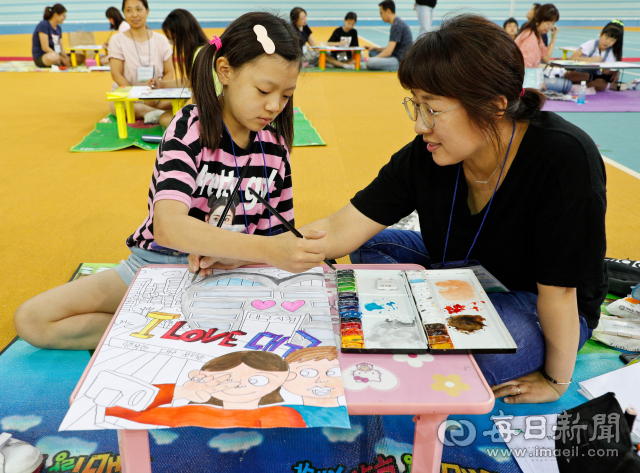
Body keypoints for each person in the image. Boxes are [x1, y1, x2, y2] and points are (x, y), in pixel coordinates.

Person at [289, 14, 607, 405]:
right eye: (415, 105)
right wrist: (250, 252)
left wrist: (556, 381)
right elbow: (341, 227)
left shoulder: (563, 158)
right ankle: (430, 313)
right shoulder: (427, 154)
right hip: (460, 272)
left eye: (433, 109)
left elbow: (559, 291)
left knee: (464, 360)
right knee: (372, 249)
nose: (421, 125)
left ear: (493, 106)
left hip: (535, 299)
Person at [13, 12, 326, 351]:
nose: (274, 106)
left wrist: (237, 257)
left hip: (231, 275)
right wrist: (265, 249)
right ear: (225, 71)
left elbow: (278, 239)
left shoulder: (275, 150)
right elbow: (168, 227)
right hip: (153, 267)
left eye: (285, 96)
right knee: (33, 319)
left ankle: (168, 329)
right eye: (264, 90)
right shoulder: (189, 127)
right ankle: (167, 329)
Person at [104, 351, 306, 428]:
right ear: (199, 376)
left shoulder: (280, 413)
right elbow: (113, 407)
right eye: (226, 377)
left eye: (258, 380)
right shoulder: (188, 412)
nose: (240, 384)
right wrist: (179, 392)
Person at [107, 0, 175, 123]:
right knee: (121, 106)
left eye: (138, 9)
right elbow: (116, 74)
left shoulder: (161, 40)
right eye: (129, 10)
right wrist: (137, 96)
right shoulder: (117, 40)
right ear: (124, 13)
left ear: (147, 11)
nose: (134, 14)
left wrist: (155, 93)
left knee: (179, 98)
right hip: (129, 97)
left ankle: (152, 112)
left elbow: (169, 72)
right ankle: (158, 114)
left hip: (157, 95)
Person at [148, 8, 217, 127]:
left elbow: (197, 102)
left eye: (173, 39)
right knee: (166, 115)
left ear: (183, 35)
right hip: (215, 113)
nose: (173, 44)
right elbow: (189, 80)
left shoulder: (199, 55)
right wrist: (162, 84)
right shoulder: (203, 50)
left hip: (214, 118)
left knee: (165, 118)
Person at [283, 346, 349, 427]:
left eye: (334, 372)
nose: (322, 380)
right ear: (287, 376)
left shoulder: (348, 413)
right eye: (307, 373)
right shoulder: (281, 412)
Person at [515, 4, 571, 93]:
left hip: (531, 78)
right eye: (548, 23)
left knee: (566, 83)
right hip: (523, 81)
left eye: (552, 24)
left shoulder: (537, 37)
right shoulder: (530, 39)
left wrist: (553, 37)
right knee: (566, 85)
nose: (550, 27)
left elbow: (546, 58)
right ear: (537, 21)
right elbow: (523, 69)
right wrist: (539, 81)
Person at [564, 21, 625, 91]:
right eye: (607, 38)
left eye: (612, 40)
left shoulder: (610, 52)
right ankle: (575, 86)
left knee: (603, 84)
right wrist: (591, 60)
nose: (608, 42)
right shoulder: (591, 44)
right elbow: (571, 58)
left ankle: (575, 87)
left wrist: (616, 72)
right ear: (601, 34)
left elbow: (605, 71)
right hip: (578, 73)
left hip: (593, 77)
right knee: (576, 75)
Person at [365, 0, 413, 72]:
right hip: (396, 55)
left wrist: (374, 59)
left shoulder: (397, 25)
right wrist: (375, 48)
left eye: (381, 13)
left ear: (388, 11)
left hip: (399, 61)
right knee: (372, 53)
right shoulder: (397, 23)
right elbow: (391, 48)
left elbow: (388, 51)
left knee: (370, 62)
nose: (381, 16)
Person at [32, 4, 71, 68]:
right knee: (53, 57)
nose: (64, 18)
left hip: (57, 54)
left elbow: (61, 48)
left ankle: (60, 62)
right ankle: (59, 61)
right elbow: (45, 47)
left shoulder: (59, 28)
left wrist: (66, 58)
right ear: (56, 15)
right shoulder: (43, 25)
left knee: (79, 57)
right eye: (63, 16)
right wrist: (61, 58)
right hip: (43, 57)